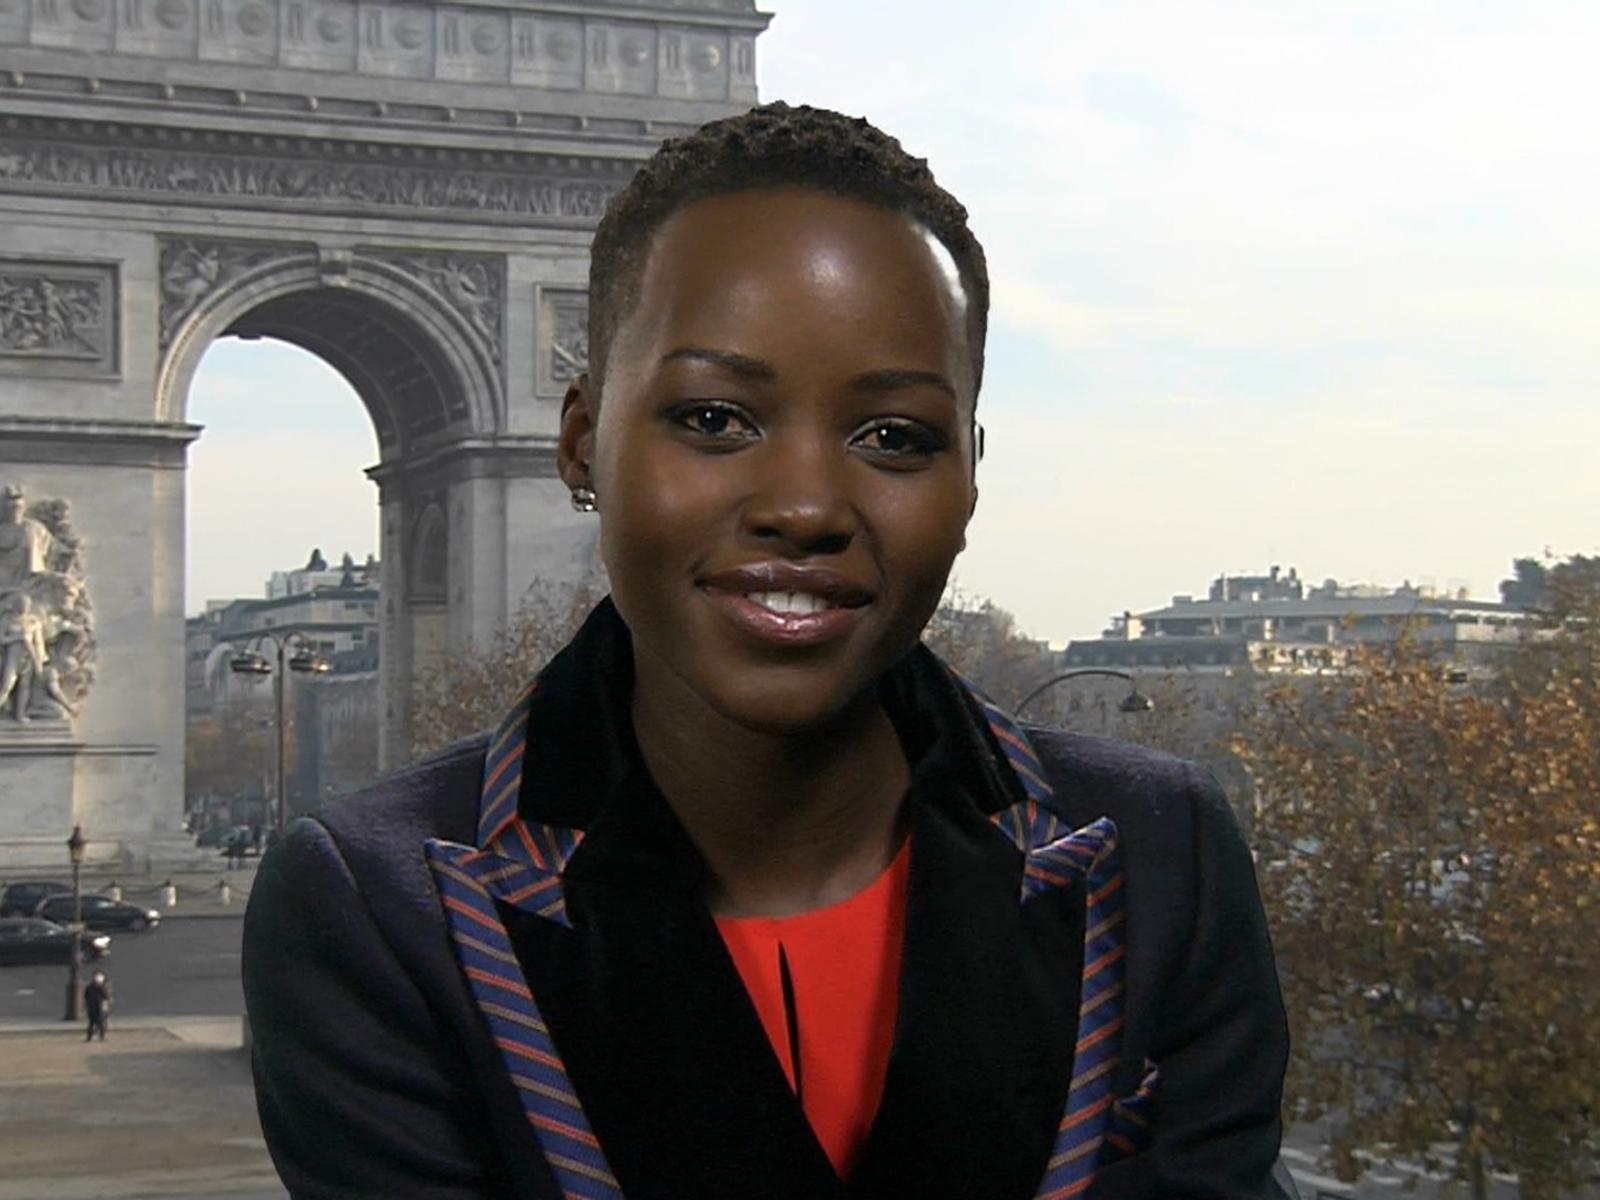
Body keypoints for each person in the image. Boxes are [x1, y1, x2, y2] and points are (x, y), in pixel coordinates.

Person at [243, 103, 1291, 1199]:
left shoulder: (1167, 850)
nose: (804, 506)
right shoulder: (369, 907)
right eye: (714, 419)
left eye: (894, 437)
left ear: (970, 475)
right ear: (581, 442)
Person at [84, 969, 111, 1042]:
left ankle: (93, 1036)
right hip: (97, 1006)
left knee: (95, 1022)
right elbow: (105, 996)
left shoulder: (91, 987)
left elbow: (86, 996)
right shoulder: (96, 987)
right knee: (96, 1022)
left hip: (95, 1006)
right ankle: (98, 1036)